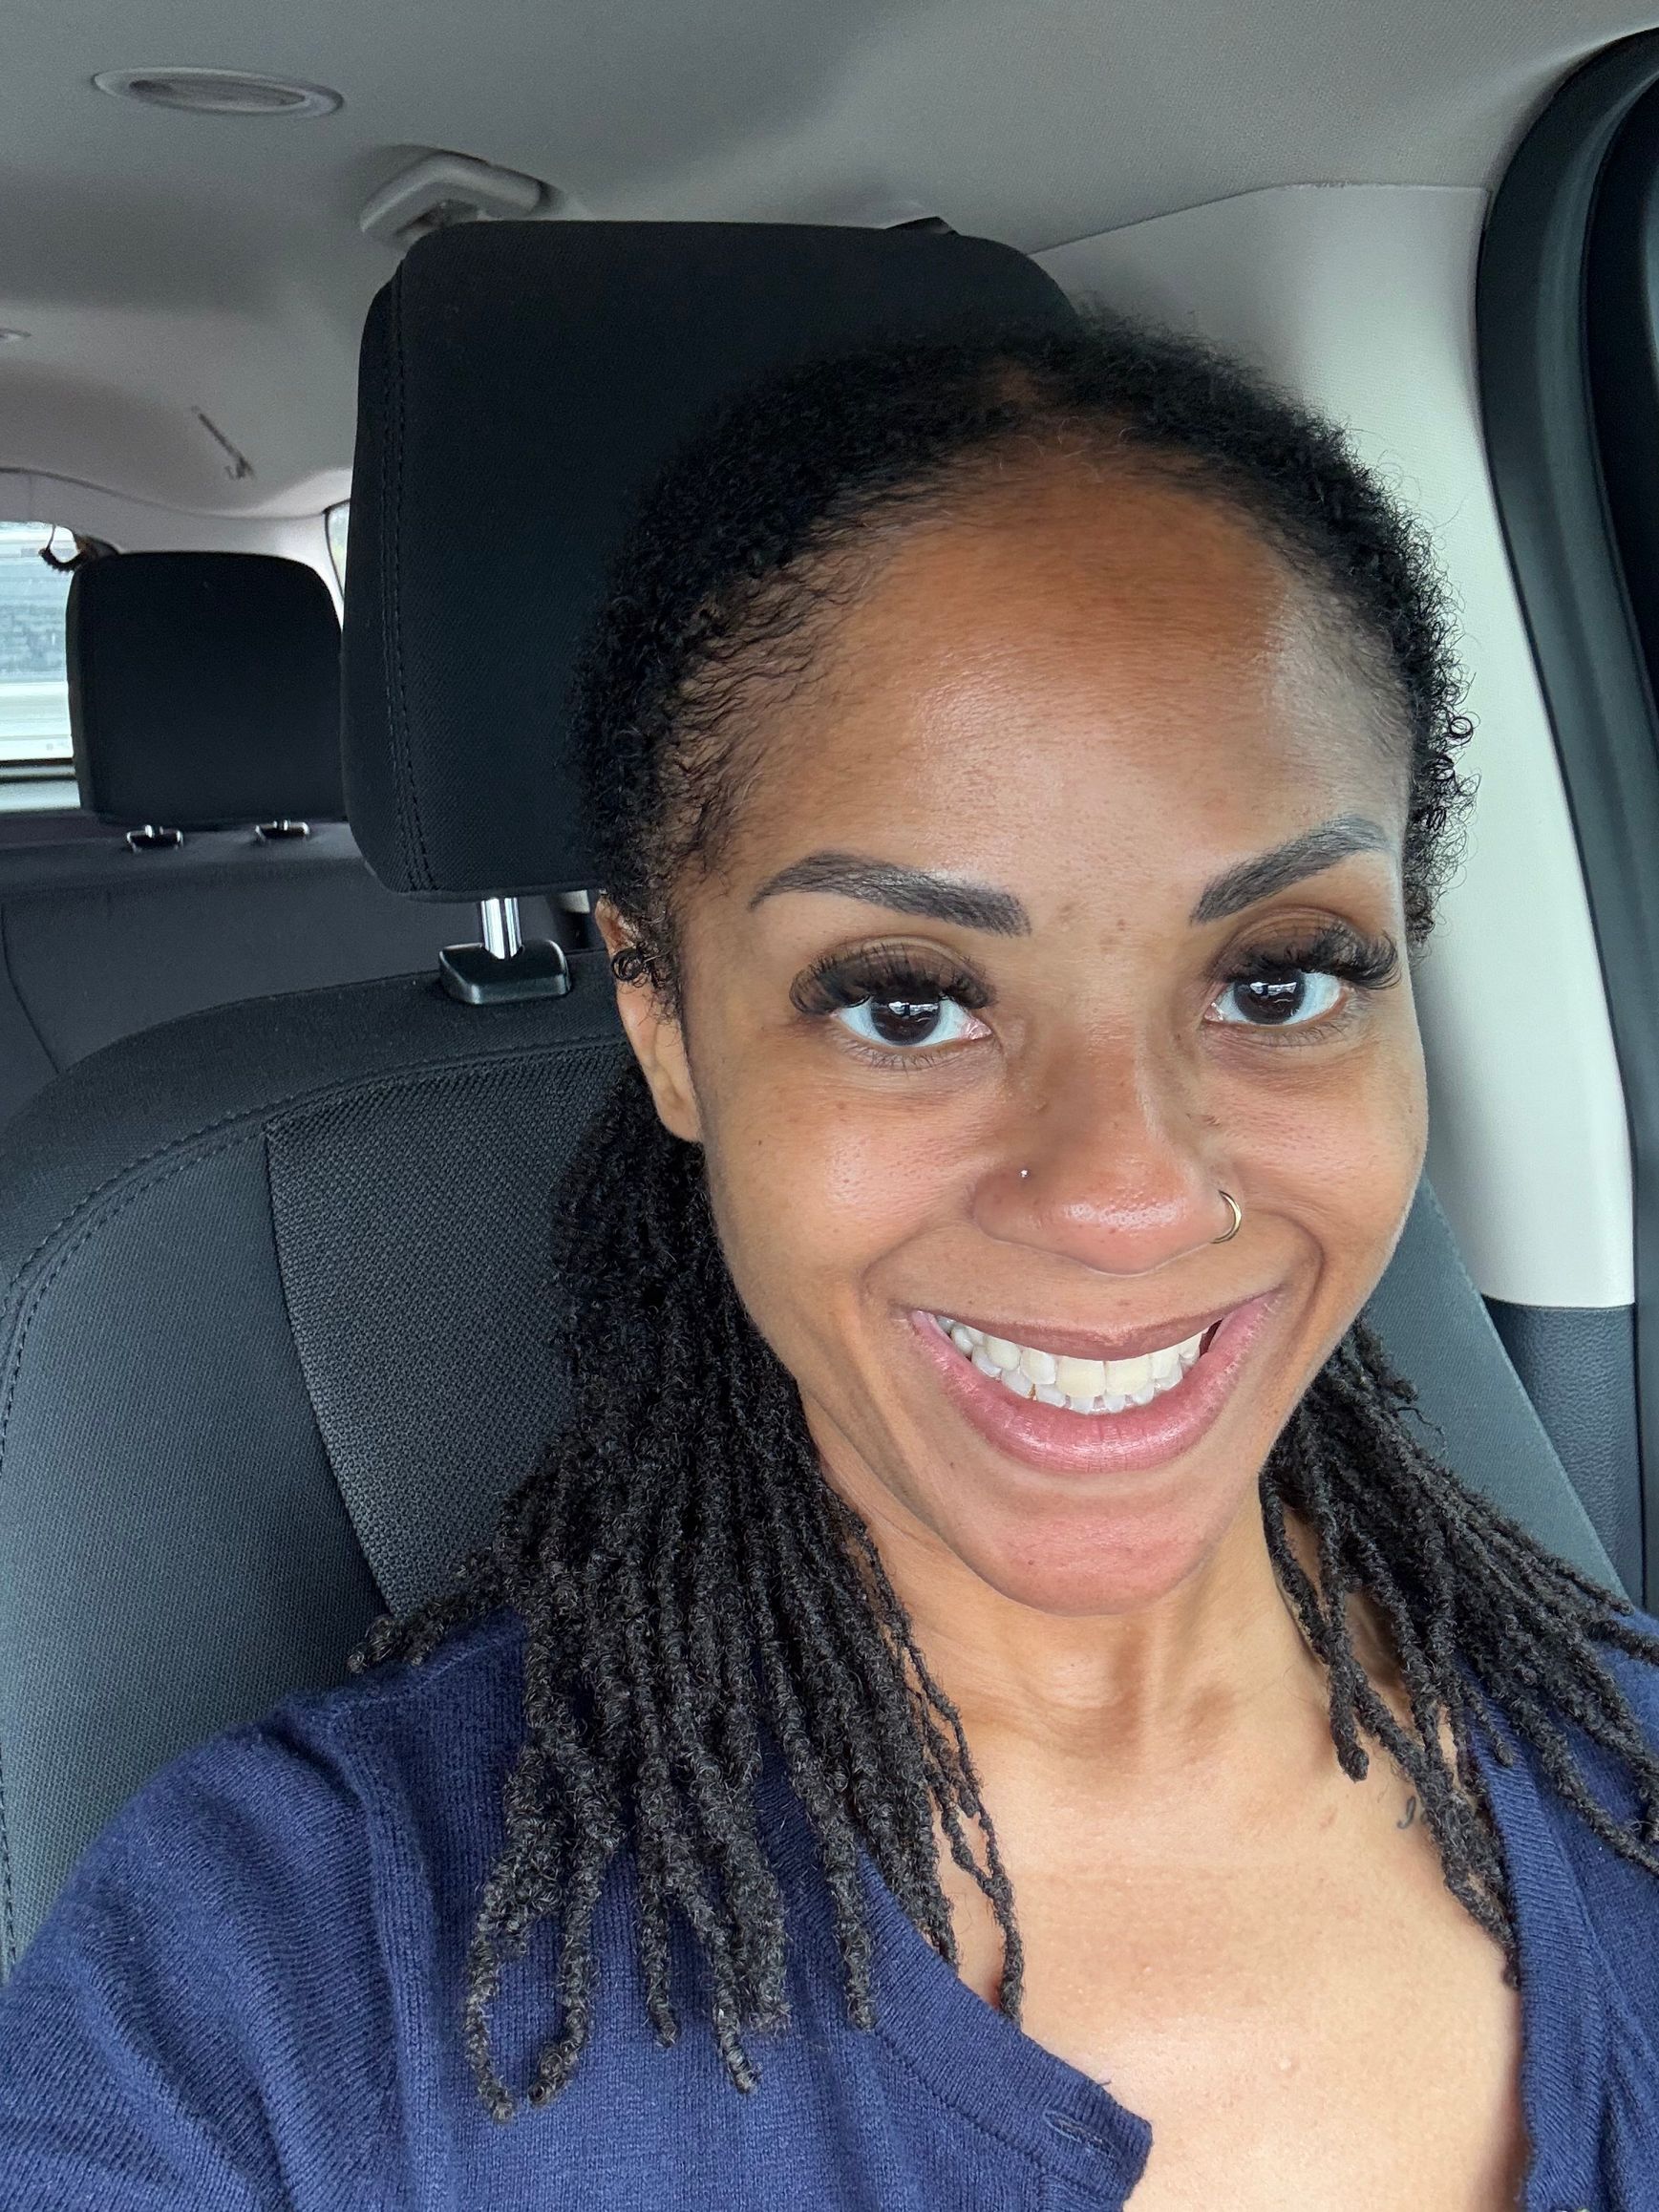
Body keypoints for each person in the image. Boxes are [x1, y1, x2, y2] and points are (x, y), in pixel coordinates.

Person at [2, 315, 1657, 2212]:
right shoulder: (284, 1989)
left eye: (1278, 978)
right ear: (662, 1017)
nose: (1124, 1196)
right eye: (902, 1000)